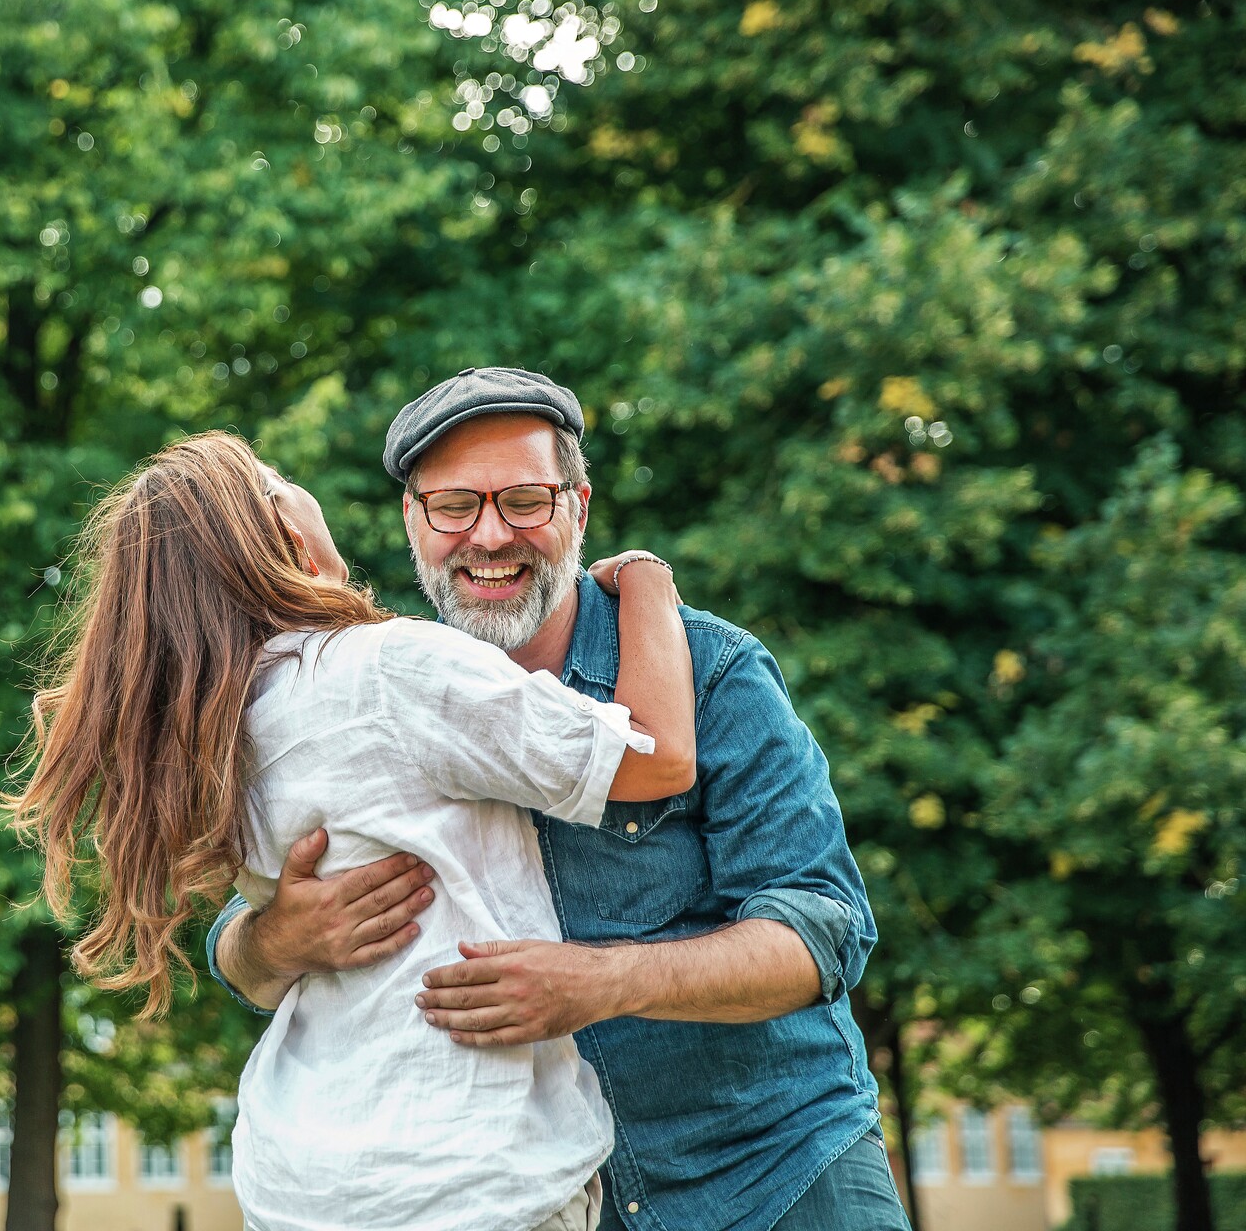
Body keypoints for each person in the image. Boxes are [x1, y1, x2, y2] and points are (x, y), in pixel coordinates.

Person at [207, 368, 912, 1231]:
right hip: (560, 1197)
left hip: (773, 1172)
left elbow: (821, 929)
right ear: (413, 523)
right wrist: (271, 938)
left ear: (578, 508)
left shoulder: (710, 669)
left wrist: (604, 982)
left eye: (526, 501)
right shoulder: (372, 687)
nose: (490, 536)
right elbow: (245, 942)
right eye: (455, 506)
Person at [6, 430, 699, 1231]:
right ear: (286, 529)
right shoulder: (387, 669)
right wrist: (647, 580)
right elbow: (658, 757)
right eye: (284, 477)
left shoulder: (209, 732)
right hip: (469, 1173)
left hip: (302, 1180)